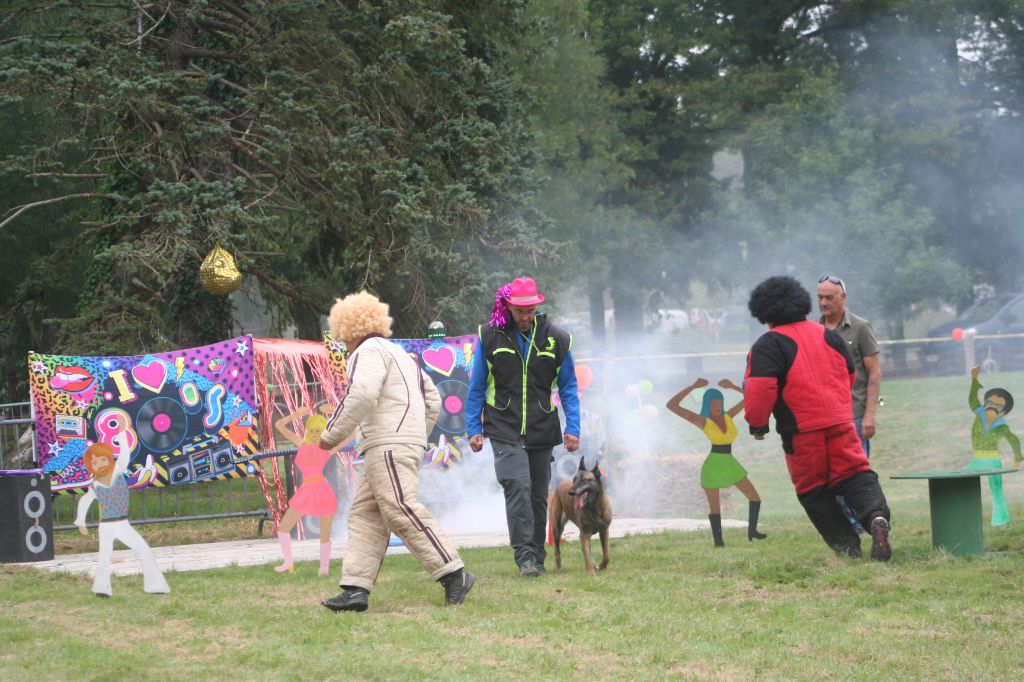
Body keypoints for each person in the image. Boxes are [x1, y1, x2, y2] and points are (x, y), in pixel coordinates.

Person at [318, 291, 473, 612]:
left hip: (386, 444)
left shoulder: (365, 353)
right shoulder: (401, 354)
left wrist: (331, 435)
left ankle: (453, 573)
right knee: (367, 514)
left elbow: (360, 396)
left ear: (348, 327)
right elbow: (434, 401)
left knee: (401, 508)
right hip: (401, 442)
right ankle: (355, 588)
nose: (342, 341)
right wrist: (416, 434)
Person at [743, 276, 892, 561]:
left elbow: (759, 388)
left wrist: (758, 424)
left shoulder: (768, 344)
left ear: (764, 312)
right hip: (841, 421)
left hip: (801, 430)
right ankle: (875, 518)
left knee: (814, 491)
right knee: (855, 474)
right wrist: (834, 405)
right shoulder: (829, 336)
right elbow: (849, 374)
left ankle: (849, 549)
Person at [466, 276, 580, 577]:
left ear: (537, 307)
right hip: (503, 426)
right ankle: (525, 556)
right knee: (517, 484)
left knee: (537, 493)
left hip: (542, 427)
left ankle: (537, 554)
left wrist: (574, 428)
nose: (525, 317)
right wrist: (472, 428)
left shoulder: (556, 338)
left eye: (530, 310)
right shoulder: (490, 336)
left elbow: (568, 387)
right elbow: (477, 386)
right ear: (508, 307)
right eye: (519, 311)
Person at [666, 377, 766, 547]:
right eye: (714, 404)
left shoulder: (728, 416)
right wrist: (693, 386)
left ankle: (753, 531)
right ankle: (719, 542)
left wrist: (733, 386)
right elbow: (672, 405)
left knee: (754, 497)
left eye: (720, 403)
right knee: (715, 506)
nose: (718, 407)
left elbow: (751, 398)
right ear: (707, 405)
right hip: (712, 466)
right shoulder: (702, 421)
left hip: (730, 462)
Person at [75, 437, 171, 597]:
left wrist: (121, 435)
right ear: (91, 467)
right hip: (106, 526)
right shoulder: (95, 485)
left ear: (110, 459)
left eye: (103, 460)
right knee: (104, 556)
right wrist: (81, 522)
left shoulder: (118, 471)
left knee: (144, 550)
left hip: (122, 524)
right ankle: (101, 589)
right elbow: (85, 502)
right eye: (95, 463)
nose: (100, 464)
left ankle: (156, 586)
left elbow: (125, 456)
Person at [272, 405, 351, 576]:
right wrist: (296, 415)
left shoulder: (328, 448)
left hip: (321, 489)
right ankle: (288, 562)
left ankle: (324, 567)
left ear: (324, 432)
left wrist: (336, 414)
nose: (315, 434)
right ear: (308, 431)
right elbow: (279, 425)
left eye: (319, 431)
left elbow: (352, 432)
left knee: (324, 533)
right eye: (312, 430)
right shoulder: (302, 443)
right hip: (306, 490)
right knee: (284, 528)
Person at [816, 275, 881, 456]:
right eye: (820, 297)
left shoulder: (861, 327)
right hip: (824, 418)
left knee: (857, 476)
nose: (823, 302)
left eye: (829, 297)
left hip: (855, 417)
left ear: (843, 297)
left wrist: (870, 415)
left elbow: (874, 374)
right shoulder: (813, 330)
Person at [966, 364, 1022, 526]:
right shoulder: (980, 414)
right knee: (962, 480)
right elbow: (972, 401)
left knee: (996, 488)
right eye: (989, 402)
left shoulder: (1002, 425)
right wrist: (974, 379)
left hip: (993, 461)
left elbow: (1013, 440)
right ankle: (966, 514)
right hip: (977, 460)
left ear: (1004, 411)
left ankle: (1001, 519)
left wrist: (1018, 458)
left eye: (998, 406)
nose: (992, 407)